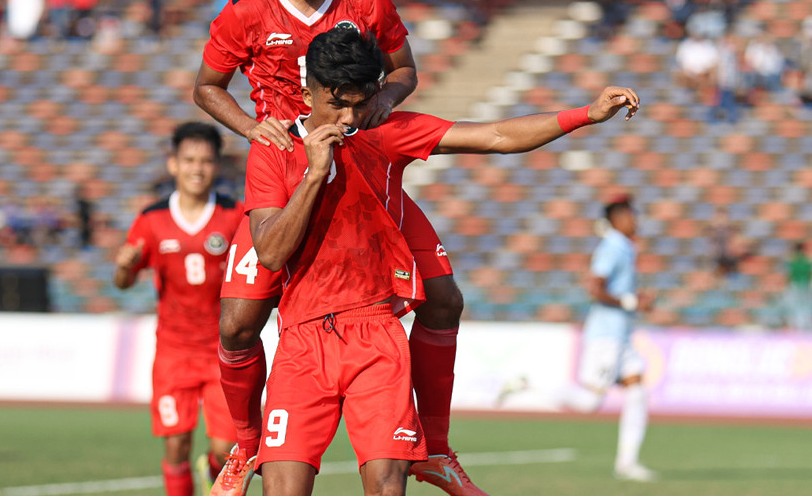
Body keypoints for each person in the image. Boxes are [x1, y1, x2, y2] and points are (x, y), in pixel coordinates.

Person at [244, 26, 639, 496]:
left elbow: (495, 136)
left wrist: (586, 115)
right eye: (338, 105)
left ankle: (437, 449)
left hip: (377, 336)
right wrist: (314, 175)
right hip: (302, 342)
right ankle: (238, 449)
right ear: (309, 93)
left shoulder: (384, 132)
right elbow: (270, 252)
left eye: (360, 103)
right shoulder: (273, 149)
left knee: (388, 489)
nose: (349, 118)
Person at [194, 0, 473, 496]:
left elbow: (405, 70)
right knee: (237, 324)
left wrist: (383, 101)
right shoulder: (244, 12)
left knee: (445, 300)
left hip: (365, 171)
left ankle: (436, 450)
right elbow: (206, 87)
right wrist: (251, 127)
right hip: (289, 175)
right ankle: (246, 447)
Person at [113, 122, 242, 496]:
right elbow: (123, 282)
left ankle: (212, 470)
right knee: (175, 445)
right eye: (189, 160)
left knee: (226, 450)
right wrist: (124, 266)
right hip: (174, 352)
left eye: (206, 161)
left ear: (217, 166)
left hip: (223, 351)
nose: (197, 169)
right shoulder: (151, 219)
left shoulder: (235, 215)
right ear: (173, 164)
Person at [497, 196, 658, 483]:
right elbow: (595, 288)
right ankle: (527, 383)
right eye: (630, 215)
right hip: (606, 337)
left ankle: (627, 463)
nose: (636, 220)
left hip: (621, 336)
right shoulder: (612, 247)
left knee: (637, 391)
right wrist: (632, 302)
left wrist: (634, 301)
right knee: (589, 402)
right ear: (617, 219)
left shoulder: (624, 247)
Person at [786, 242, 811, 332]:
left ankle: (802, 325)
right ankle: (799, 325)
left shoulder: (803, 261)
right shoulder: (793, 261)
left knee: (804, 305)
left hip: (804, 285)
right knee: (798, 305)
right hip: (796, 285)